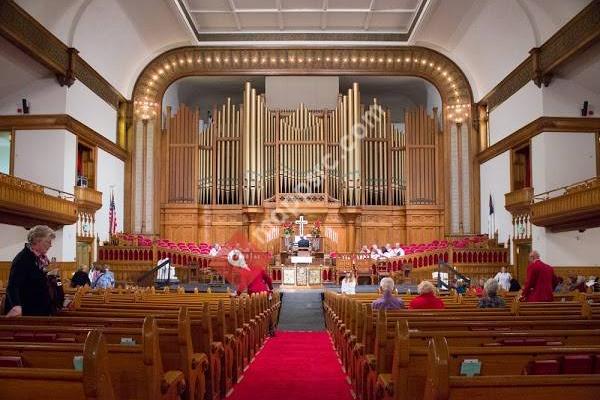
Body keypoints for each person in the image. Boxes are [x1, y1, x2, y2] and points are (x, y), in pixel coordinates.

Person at [4, 225, 55, 317]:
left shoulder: (39, 259)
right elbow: (13, 286)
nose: (51, 245)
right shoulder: (23, 259)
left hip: (39, 310)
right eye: (48, 241)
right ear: (37, 240)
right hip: (28, 312)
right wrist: (16, 306)